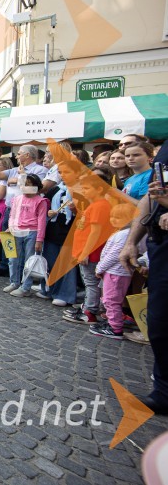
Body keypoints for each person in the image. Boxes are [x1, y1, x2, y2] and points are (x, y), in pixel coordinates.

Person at [119, 146, 168, 414]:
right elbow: (152, 196)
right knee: (159, 322)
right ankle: (163, 390)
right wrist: (131, 242)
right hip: (161, 244)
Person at [62, 176, 113, 324]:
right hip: (86, 251)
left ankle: (90, 311)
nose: (84, 191)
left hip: (91, 253)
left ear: (99, 189)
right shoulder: (95, 204)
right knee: (90, 282)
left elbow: (95, 232)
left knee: (91, 283)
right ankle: (89, 307)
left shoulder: (100, 205)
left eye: (87, 188)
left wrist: (86, 252)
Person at [90, 204, 144, 339]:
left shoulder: (124, 235)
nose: (113, 220)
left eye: (118, 218)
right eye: (112, 217)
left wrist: (99, 268)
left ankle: (115, 328)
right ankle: (112, 322)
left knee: (111, 299)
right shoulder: (124, 234)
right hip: (116, 271)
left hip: (116, 272)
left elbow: (114, 255)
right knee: (112, 299)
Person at [39, 160, 81, 307]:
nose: (63, 175)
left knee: (67, 264)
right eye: (61, 172)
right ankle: (48, 289)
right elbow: (45, 206)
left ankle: (65, 294)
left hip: (70, 229)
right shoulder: (55, 189)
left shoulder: (81, 190)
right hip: (53, 228)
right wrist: (49, 212)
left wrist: (76, 211)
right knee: (50, 261)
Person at [3, 174, 48, 297]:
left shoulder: (41, 201)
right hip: (16, 230)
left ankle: (26, 287)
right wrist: (10, 227)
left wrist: (39, 239)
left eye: (28, 184)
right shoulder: (17, 199)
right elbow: (12, 215)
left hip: (32, 232)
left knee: (29, 261)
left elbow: (42, 221)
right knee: (13, 259)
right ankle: (14, 282)